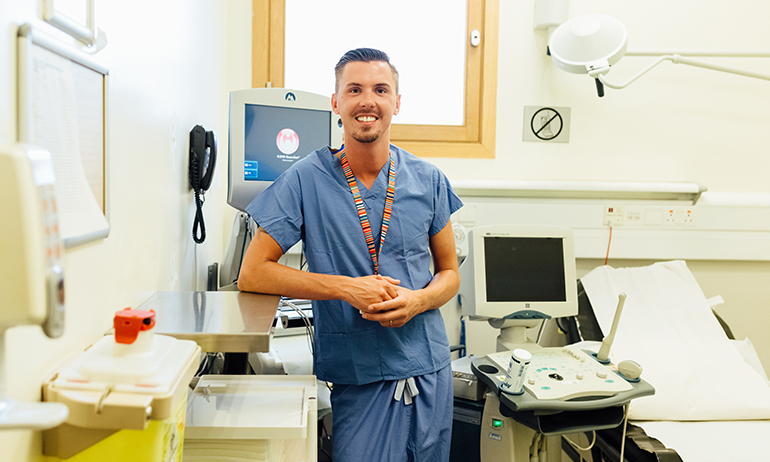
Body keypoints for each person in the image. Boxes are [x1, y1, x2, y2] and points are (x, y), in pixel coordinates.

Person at [238, 48, 463, 462]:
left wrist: (419, 300)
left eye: (380, 89)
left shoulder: (428, 179)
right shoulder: (307, 178)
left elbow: (449, 272)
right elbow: (253, 273)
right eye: (354, 89)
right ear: (336, 102)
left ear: (397, 102)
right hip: (359, 374)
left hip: (427, 365)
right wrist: (346, 289)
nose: (367, 101)